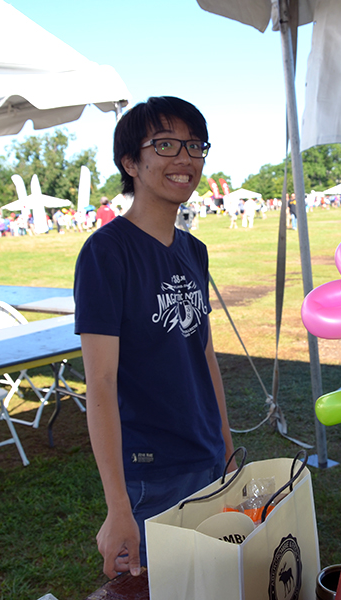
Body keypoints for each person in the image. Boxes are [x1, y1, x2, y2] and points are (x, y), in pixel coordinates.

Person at [73, 96, 236, 579]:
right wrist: (117, 504)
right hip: (150, 470)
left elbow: (203, 353)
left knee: (208, 581)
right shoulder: (107, 253)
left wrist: (225, 444)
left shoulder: (193, 250)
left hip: (206, 455)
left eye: (194, 146)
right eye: (164, 145)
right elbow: (99, 381)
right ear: (131, 162)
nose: (184, 158)